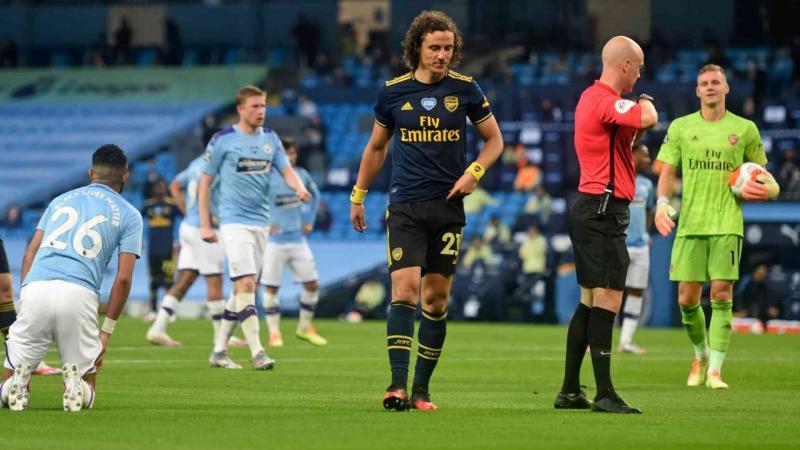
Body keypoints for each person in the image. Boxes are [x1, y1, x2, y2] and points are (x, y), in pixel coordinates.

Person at [349, 10, 503, 411]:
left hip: (448, 208)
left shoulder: (466, 89)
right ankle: (396, 386)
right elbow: (377, 147)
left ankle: (421, 391)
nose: (442, 55)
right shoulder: (393, 92)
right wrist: (358, 195)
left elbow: (495, 141)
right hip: (405, 207)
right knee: (404, 290)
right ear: (417, 47)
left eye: (448, 48)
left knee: (435, 300)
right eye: (435, 47)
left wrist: (474, 173)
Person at [654, 64, 779, 389]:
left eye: (715, 82)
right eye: (704, 83)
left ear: (726, 88)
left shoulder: (745, 129)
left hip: (727, 222)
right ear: (697, 90)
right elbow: (667, 171)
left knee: (722, 294)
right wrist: (662, 202)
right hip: (691, 223)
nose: (710, 86)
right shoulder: (681, 127)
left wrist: (769, 190)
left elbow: (763, 176)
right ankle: (700, 356)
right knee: (686, 299)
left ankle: (715, 372)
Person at [554, 36, 657, 414]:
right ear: (625, 65)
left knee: (589, 301)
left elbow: (625, 142)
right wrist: (646, 101)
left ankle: (569, 391)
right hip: (603, 209)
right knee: (609, 297)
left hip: (593, 207)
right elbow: (648, 117)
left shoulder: (592, 101)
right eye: (639, 67)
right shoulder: (602, 99)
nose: (640, 75)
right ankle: (605, 393)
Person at [0, 144, 143, 412]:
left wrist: (28, 294)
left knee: (8, 381)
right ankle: (77, 385)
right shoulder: (130, 215)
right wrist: (107, 331)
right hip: (80, 293)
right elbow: (123, 278)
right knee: (89, 386)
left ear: (90, 172)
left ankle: (15, 384)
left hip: (37, 287)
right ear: (125, 175)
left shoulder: (60, 201)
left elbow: (30, 253)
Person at [200, 85, 311, 371]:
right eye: (255, 106)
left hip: (261, 223)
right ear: (240, 109)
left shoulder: (271, 139)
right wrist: (205, 224)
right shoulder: (223, 139)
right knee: (247, 284)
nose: (261, 111)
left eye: (263, 106)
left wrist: (299, 188)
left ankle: (219, 351)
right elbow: (205, 182)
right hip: (233, 222)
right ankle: (258, 351)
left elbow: (286, 170)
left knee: (241, 291)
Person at [145, 151, 246, 350]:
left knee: (185, 279)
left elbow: (175, 185)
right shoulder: (216, 167)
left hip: (188, 227)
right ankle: (222, 337)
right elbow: (204, 190)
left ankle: (157, 328)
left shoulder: (196, 163)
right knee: (214, 280)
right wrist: (209, 216)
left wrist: (187, 211)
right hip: (205, 230)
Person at [260, 138, 326, 347]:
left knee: (312, 284)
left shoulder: (302, 175)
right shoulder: (266, 177)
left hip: (297, 240)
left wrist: (309, 221)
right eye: (286, 153)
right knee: (272, 288)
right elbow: (252, 202)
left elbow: (316, 196)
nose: (290, 157)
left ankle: (304, 327)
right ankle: (274, 333)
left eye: (293, 153)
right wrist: (264, 224)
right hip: (274, 243)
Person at [617, 144, 655, 354]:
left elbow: (649, 211)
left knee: (637, 291)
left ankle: (626, 340)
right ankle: (595, 340)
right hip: (618, 244)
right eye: (644, 156)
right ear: (632, 155)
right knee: (608, 292)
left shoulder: (647, 185)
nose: (648, 160)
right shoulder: (616, 178)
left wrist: (645, 234)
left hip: (640, 246)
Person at [140, 179, 180, 321]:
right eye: (157, 186)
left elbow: (183, 219)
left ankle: (169, 311)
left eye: (162, 186)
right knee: (154, 280)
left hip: (168, 248)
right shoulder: (148, 205)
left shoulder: (172, 205)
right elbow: (136, 220)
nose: (160, 189)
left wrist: (179, 240)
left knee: (169, 280)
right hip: (153, 249)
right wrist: (139, 240)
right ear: (153, 189)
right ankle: (153, 310)